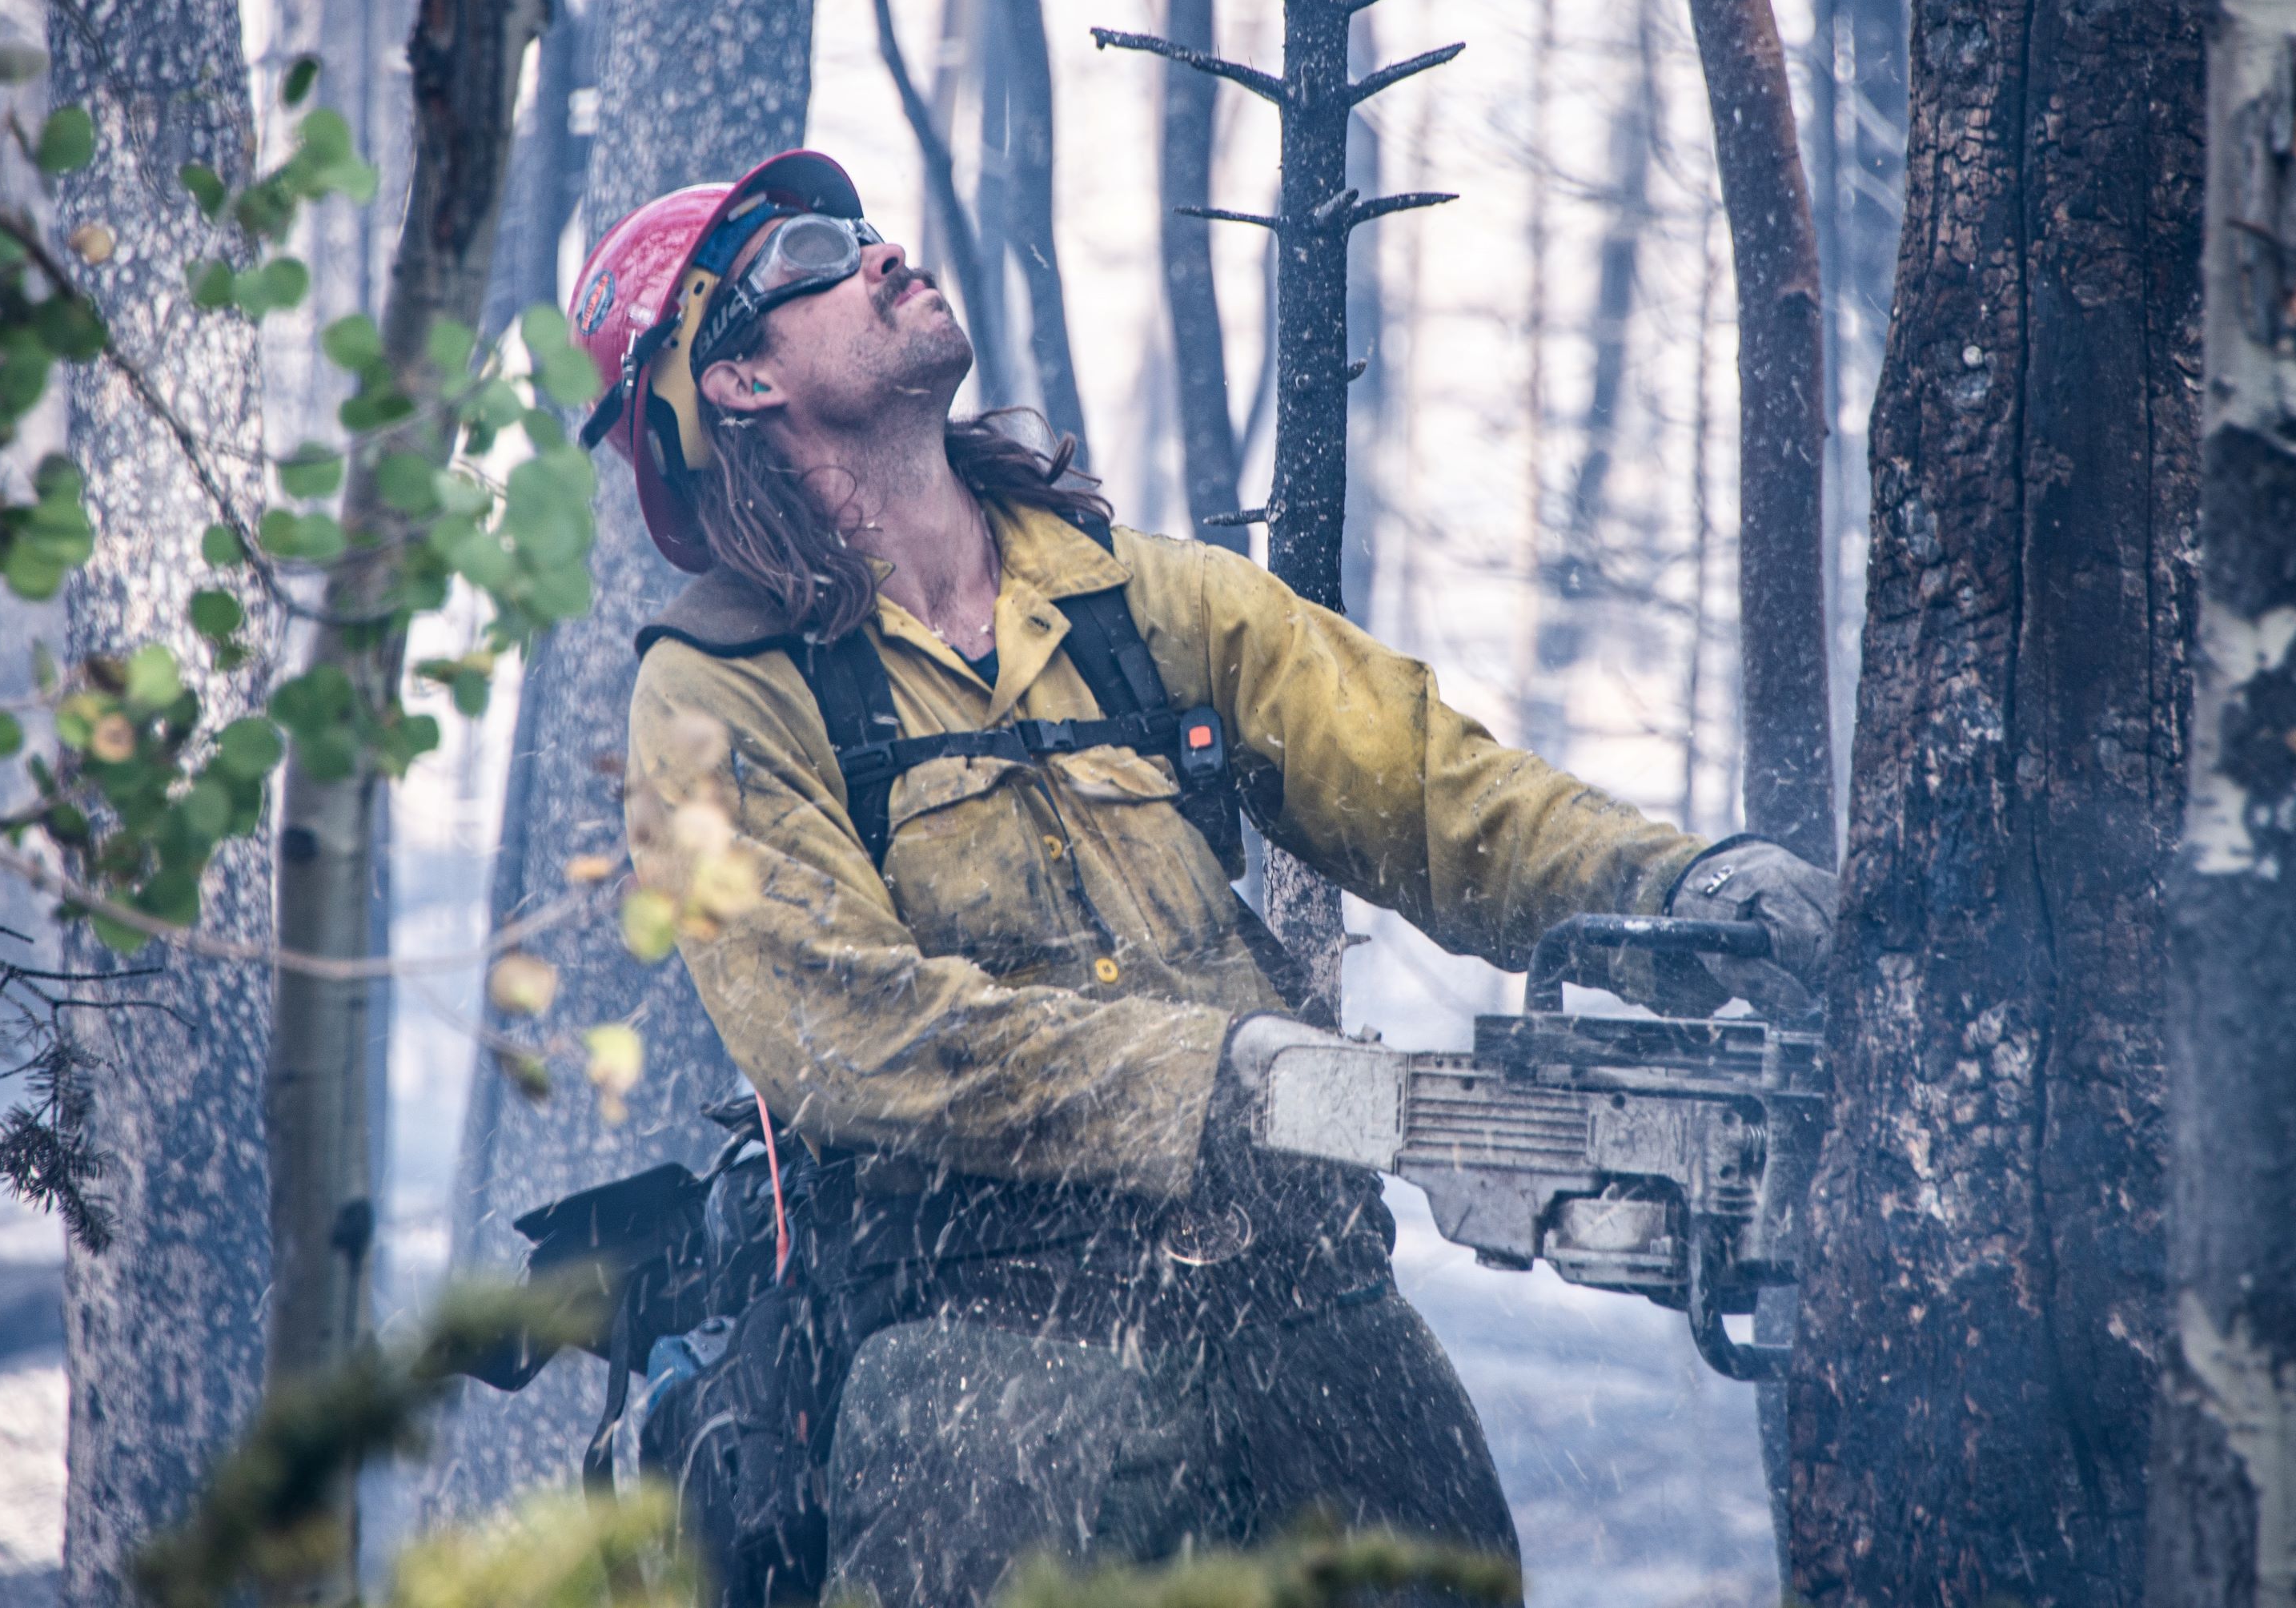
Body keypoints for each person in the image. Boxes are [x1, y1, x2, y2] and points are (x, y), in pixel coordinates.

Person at [584, 151, 1836, 1606]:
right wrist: (1223, 1074)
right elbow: (849, 1037)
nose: (877, 252)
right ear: (734, 380)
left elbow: (1436, 791)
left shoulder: (1134, 597)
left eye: (866, 226)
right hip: (998, 1380)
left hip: (1312, 1318)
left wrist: (1682, 888)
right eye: (812, 251)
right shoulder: (715, 694)